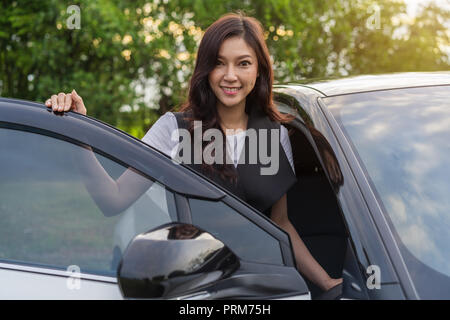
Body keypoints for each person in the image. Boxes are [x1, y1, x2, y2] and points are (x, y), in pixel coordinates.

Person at [45, 12, 342, 293]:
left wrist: (326, 282)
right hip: (199, 288)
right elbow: (113, 198)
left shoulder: (275, 135)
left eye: (243, 63)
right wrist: (80, 130)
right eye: (219, 63)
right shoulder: (175, 130)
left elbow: (280, 224)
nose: (230, 75)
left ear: (259, 70)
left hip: (268, 288)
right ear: (205, 68)